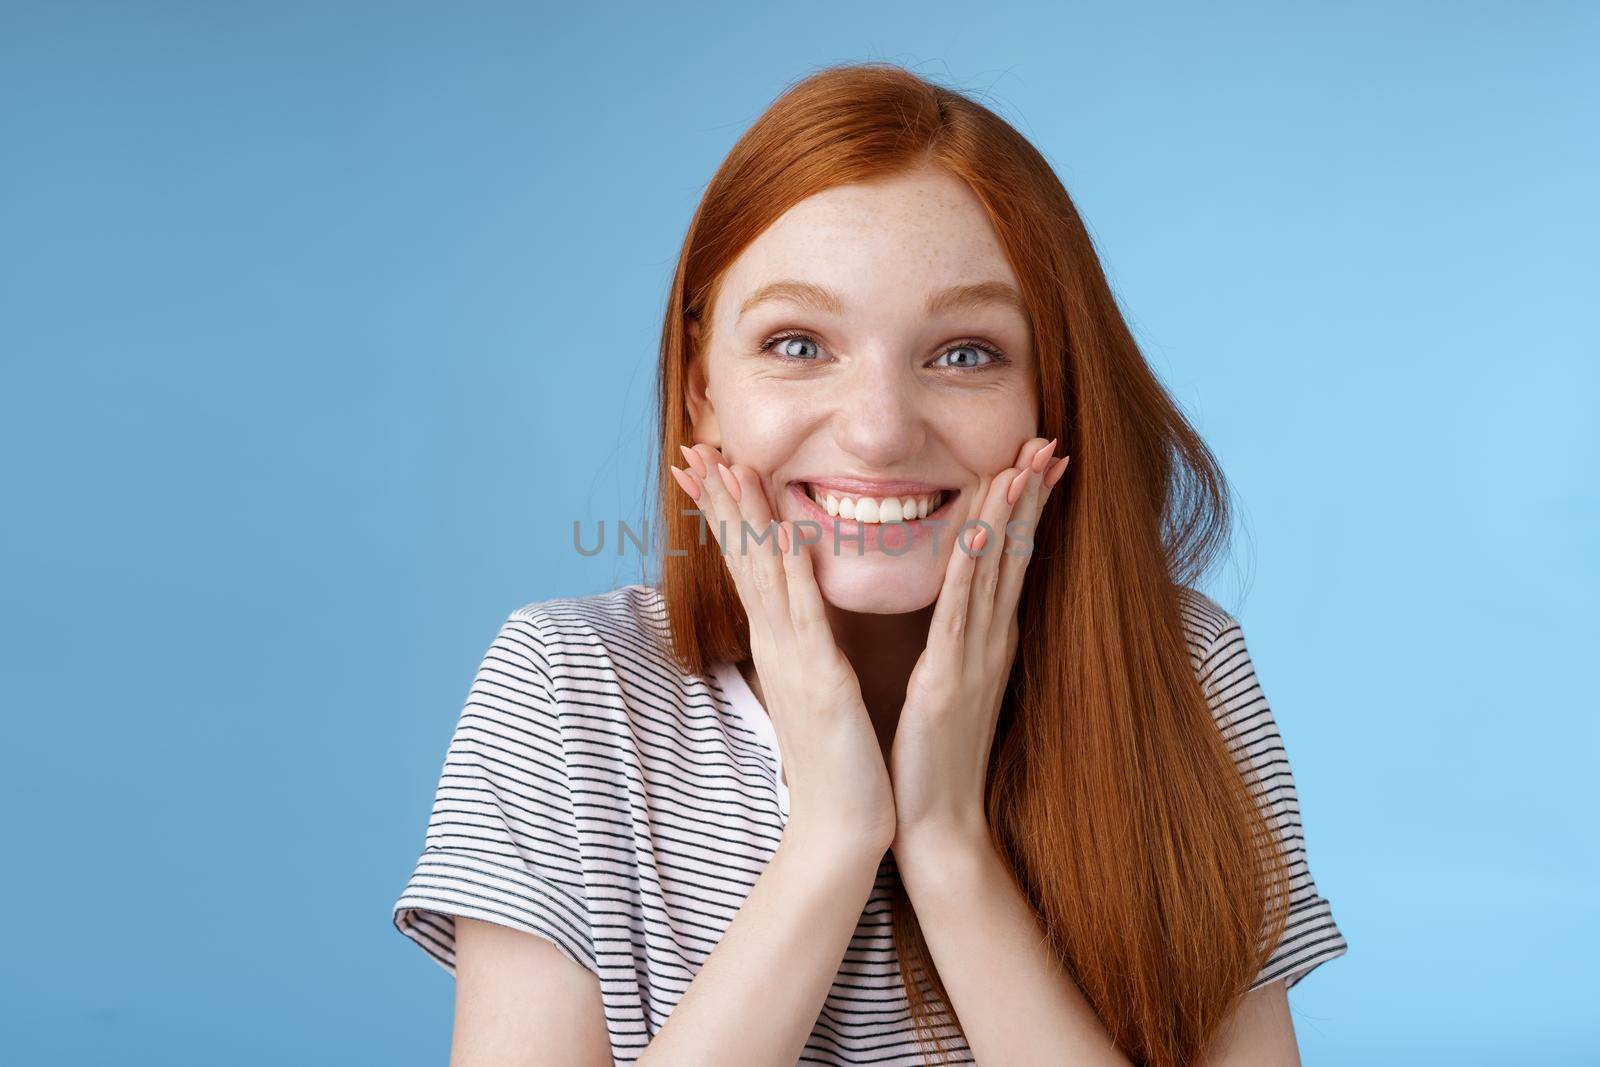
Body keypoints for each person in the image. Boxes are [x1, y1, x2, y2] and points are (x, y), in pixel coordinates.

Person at [392, 62, 1348, 1067]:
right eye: (799, 343)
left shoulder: (1178, 667)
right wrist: (833, 837)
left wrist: (946, 843)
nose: (880, 433)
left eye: (966, 352)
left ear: (1049, 396)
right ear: (699, 391)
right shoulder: (566, 685)